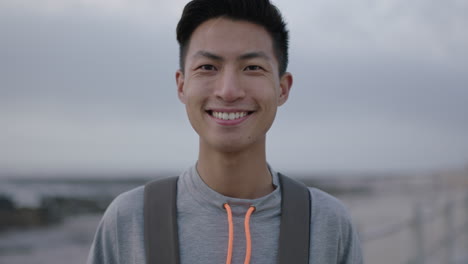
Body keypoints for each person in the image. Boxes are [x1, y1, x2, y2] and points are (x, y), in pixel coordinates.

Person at [87, 0, 363, 263]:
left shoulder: (327, 223)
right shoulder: (130, 219)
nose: (228, 91)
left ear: (282, 88)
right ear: (182, 86)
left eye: (252, 68)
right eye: (208, 67)